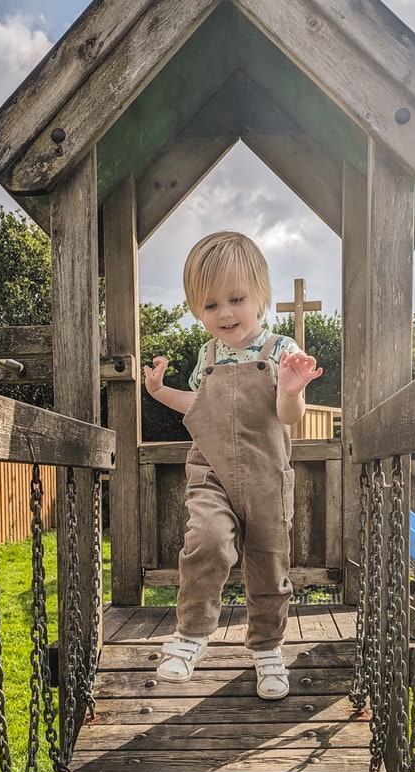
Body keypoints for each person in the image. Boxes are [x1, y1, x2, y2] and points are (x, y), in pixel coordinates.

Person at [143, 230, 322, 700]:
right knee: (206, 542)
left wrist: (291, 388)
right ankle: (191, 635)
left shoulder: (281, 350)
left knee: (269, 566)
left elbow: (290, 418)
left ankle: (267, 649)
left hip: (267, 475)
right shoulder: (207, 356)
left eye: (236, 299)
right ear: (195, 310)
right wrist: (161, 393)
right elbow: (199, 406)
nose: (224, 313)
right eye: (209, 305)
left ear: (261, 296)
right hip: (211, 470)